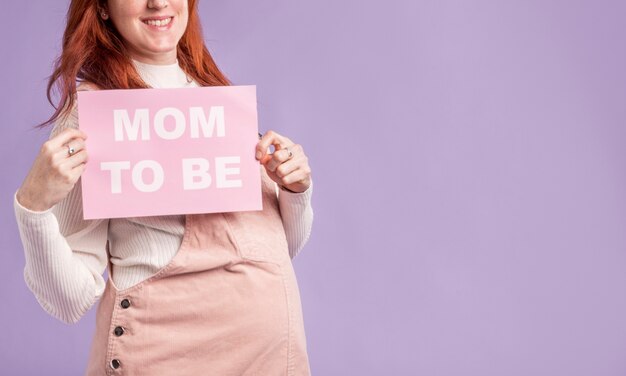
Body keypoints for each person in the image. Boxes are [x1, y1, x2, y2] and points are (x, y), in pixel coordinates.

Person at [13, 0, 314, 374]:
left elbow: (277, 251)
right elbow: (68, 301)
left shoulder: (216, 99)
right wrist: (33, 209)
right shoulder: (97, 115)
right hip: (163, 354)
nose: (157, 2)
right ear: (103, 8)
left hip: (269, 352)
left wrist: (295, 191)